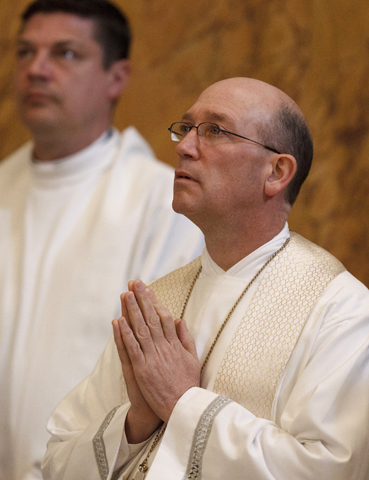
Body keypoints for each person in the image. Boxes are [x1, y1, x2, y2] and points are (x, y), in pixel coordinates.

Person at [42, 77, 369, 480]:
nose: (183, 147)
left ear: (276, 172)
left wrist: (183, 405)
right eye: (185, 128)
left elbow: (331, 471)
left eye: (214, 131)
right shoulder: (156, 304)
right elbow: (58, 456)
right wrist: (134, 425)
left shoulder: (341, 310)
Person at [0, 0, 204, 479]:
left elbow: (160, 374)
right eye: (24, 52)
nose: (37, 70)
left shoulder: (161, 204)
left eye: (65, 54)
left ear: (117, 76)